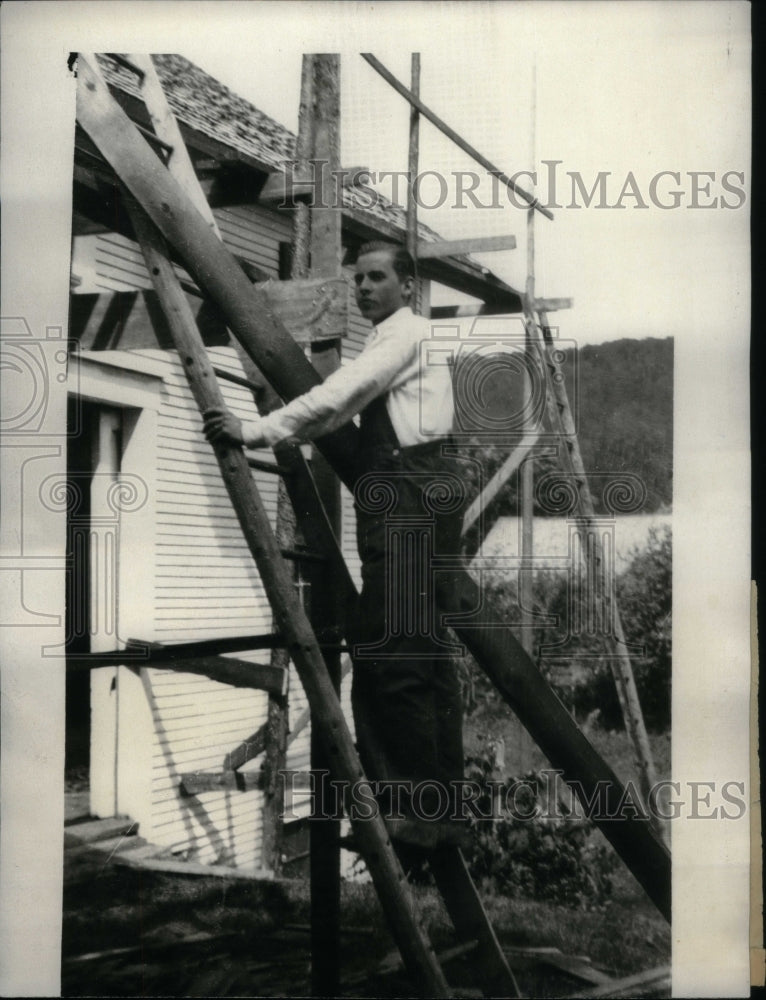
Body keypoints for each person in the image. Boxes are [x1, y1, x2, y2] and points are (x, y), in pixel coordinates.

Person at [204, 241, 467, 850]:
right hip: (421, 498)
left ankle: (412, 815)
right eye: (357, 281)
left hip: (408, 501)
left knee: (388, 661)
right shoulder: (404, 339)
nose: (364, 289)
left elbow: (336, 399)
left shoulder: (403, 338)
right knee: (425, 662)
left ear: (409, 286)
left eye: (377, 278)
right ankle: (442, 811)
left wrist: (253, 430)